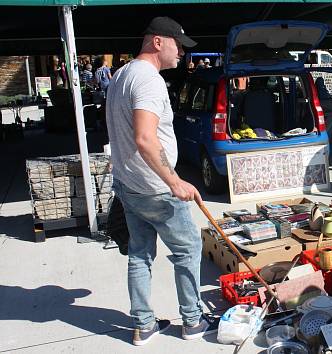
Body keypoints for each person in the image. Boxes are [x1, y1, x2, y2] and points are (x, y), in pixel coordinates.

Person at [106, 16, 214, 346]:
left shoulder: (122, 74)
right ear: (157, 42)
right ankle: (193, 320)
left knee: (140, 254)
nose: (182, 52)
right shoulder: (147, 79)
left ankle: (143, 324)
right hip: (155, 188)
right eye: (178, 44)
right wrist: (174, 181)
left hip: (130, 185)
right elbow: (144, 138)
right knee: (189, 249)